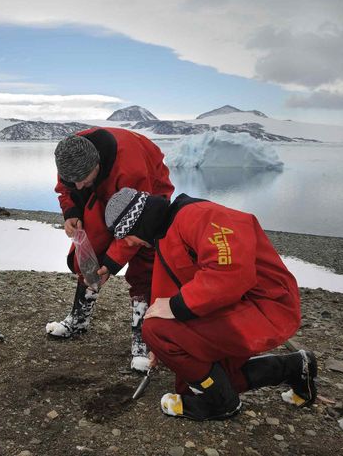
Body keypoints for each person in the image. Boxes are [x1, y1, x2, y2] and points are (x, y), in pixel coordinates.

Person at [104, 187, 317, 421]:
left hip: (266, 305)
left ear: (138, 224)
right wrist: (161, 345)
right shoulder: (165, 236)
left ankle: (222, 404)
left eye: (126, 236)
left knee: (156, 329)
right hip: (233, 305)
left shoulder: (200, 216)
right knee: (203, 380)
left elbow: (230, 272)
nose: (130, 243)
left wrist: (172, 313)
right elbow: (164, 296)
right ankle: (297, 367)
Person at [46, 127, 174, 372]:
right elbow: (66, 189)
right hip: (104, 191)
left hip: (148, 199)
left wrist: (112, 263)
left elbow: (133, 231)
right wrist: (71, 212)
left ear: (98, 163)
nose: (79, 185)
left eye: (83, 179)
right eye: (74, 180)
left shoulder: (131, 169)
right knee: (88, 255)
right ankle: (79, 319)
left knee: (144, 266)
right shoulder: (71, 156)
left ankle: (143, 339)